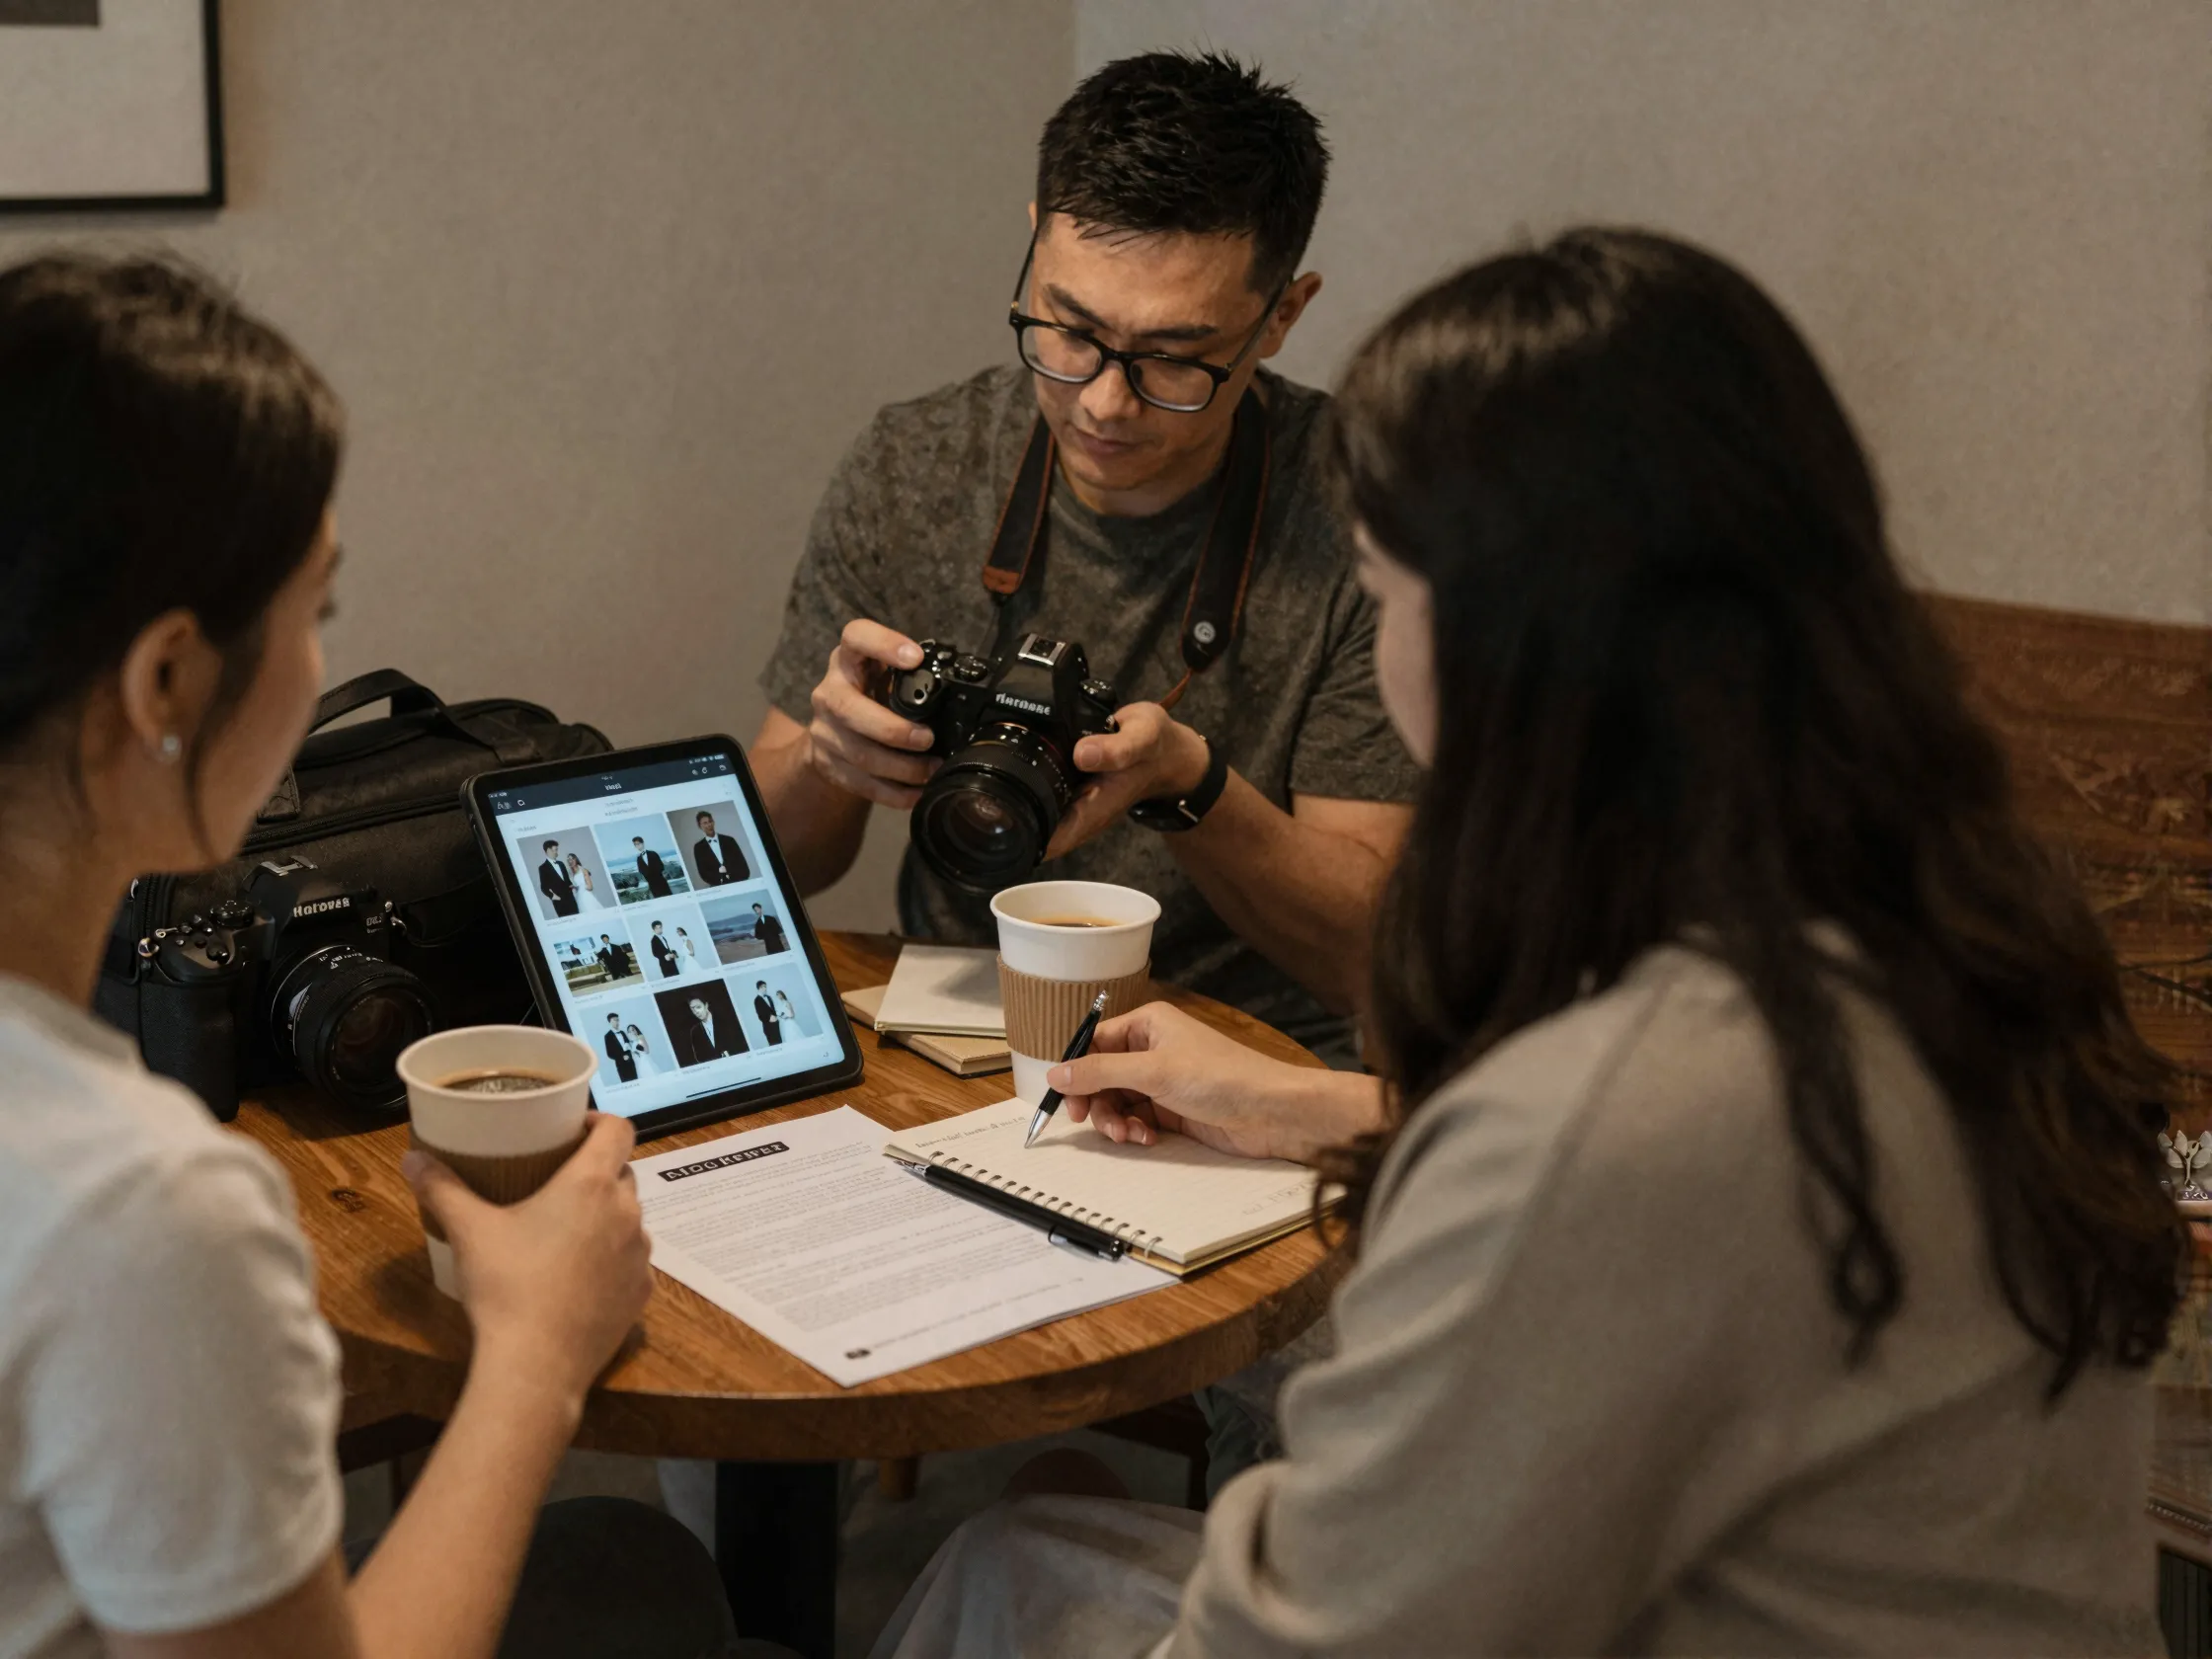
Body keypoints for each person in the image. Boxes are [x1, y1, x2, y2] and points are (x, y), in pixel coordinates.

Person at [869, 229, 2185, 1658]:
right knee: (1025, 1549)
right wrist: (1316, 1108)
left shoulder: (1614, 1114)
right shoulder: (1949, 940)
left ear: (1509, 633)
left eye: (1387, 585)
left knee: (1005, 1570)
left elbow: (1303, 1635)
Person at [0, 255, 754, 1659]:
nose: (315, 669)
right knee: (649, 1583)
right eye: (315, 613)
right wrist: (537, 1356)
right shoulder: (138, 1211)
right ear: (168, 682)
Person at [750, 50, 1418, 1070]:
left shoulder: (1365, 518)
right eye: (1070, 329)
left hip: (1249, 1067)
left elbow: (1367, 959)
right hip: (962, 1036)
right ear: (1033, 246)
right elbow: (782, 866)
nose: (1103, 403)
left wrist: (1186, 785)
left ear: (1281, 315)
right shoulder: (915, 463)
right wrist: (828, 760)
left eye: (1174, 358)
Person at [673, 993, 747, 1066]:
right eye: (693, 1009)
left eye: (698, 1007)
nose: (696, 1012)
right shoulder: (695, 1031)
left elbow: (739, 1044)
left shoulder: (725, 1021)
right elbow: (699, 1057)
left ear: (706, 1005)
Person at [692, 810, 749, 886]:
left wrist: (733, 879)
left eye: (710, 821)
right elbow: (703, 872)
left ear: (713, 822)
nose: (709, 825)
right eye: (705, 823)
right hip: (717, 887)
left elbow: (742, 864)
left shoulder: (729, 840)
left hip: (738, 882)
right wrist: (720, 880)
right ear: (700, 826)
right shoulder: (698, 847)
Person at [538, 837, 578, 916]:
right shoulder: (542, 868)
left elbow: (567, 880)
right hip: (559, 903)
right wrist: (554, 897)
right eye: (555, 850)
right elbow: (543, 887)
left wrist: (571, 886)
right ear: (548, 850)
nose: (557, 852)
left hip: (571, 899)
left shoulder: (561, 863)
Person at [633, 833, 673, 898]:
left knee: (669, 897)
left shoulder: (653, 853)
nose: (637, 846)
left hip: (661, 881)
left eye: (638, 844)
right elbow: (641, 871)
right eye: (635, 845)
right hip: (652, 884)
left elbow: (661, 866)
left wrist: (654, 874)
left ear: (642, 843)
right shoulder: (639, 859)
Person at [602, 1012, 637, 1084]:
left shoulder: (623, 1032)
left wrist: (629, 1054)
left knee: (636, 1081)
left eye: (618, 1020)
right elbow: (609, 1054)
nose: (617, 1022)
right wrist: (622, 1057)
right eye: (615, 1020)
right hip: (621, 1065)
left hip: (631, 1062)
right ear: (610, 1022)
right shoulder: (607, 1036)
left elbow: (629, 1046)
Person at [752, 982, 782, 1047]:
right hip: (768, 1027)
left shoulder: (769, 997)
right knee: (774, 1045)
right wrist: (769, 1019)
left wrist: (776, 1018)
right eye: (764, 986)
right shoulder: (757, 1000)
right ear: (759, 988)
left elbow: (773, 1010)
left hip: (776, 1024)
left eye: (766, 986)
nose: (766, 988)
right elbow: (760, 1015)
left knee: (780, 1043)